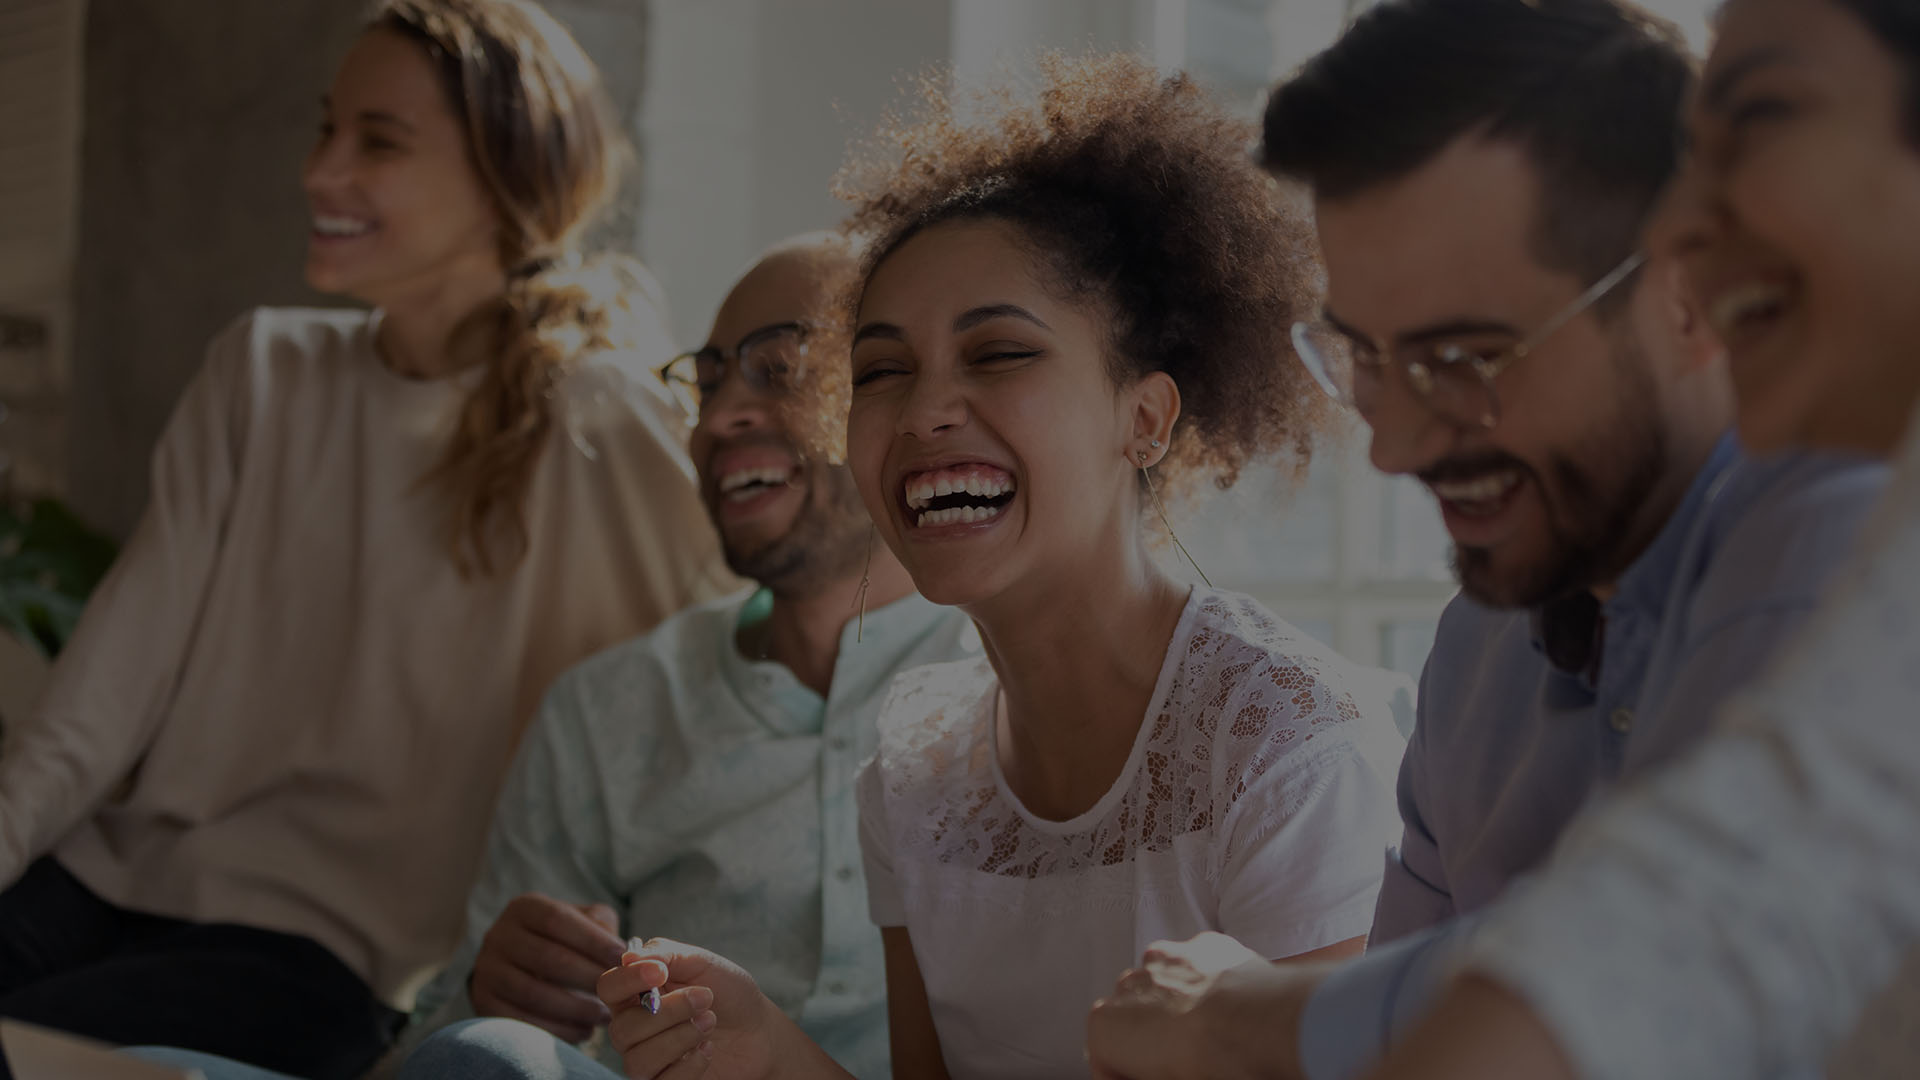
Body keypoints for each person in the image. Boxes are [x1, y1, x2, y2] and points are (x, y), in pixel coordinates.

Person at [1083, 1, 1887, 1077]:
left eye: (1463, 357)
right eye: (1366, 359)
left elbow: (1649, 976)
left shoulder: (1848, 554)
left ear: (1693, 292)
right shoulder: (1476, 656)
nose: (1397, 448)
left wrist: (1235, 1016)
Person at [592, 53, 1407, 1080]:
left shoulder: (1289, 748)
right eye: (883, 371)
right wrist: (763, 1045)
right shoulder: (916, 773)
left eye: (998, 354)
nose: (926, 409)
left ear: (1144, 417)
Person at [0, 1, 732, 1076]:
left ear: (506, 172)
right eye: (324, 129)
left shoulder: (605, 418)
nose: (320, 172)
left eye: (377, 142)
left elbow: (733, 673)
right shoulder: (259, 371)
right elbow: (95, 708)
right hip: (94, 884)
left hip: (328, 967)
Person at [1346, 0, 1920, 1076]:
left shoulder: (1834, 532)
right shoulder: (1476, 648)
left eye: (1767, 114)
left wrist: (1258, 1015)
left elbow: (1698, 921)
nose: (1680, 226)